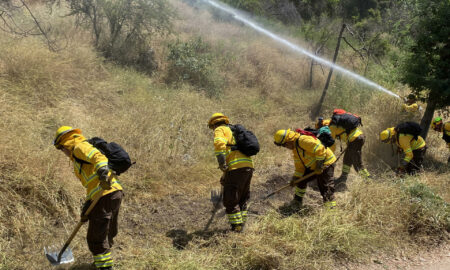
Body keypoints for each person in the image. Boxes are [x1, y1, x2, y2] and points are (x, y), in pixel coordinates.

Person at [53, 126, 123, 270]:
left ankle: (104, 266)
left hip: (105, 194)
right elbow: (92, 185)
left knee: (95, 237)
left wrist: (103, 171)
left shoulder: (79, 147)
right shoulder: (78, 158)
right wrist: (87, 208)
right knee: (108, 229)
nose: (63, 152)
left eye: (61, 148)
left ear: (66, 142)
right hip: (111, 194)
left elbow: (99, 158)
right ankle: (103, 261)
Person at [208, 113, 254, 232]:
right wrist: (226, 174)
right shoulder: (233, 131)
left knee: (230, 198)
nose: (213, 129)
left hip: (235, 167)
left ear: (214, 124)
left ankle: (236, 228)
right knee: (243, 196)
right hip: (248, 166)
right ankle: (242, 224)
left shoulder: (220, 129)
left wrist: (221, 163)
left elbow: (219, 144)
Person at [273, 129, 336, 211]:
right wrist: (295, 178)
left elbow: (320, 149)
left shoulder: (303, 140)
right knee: (301, 181)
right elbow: (300, 168)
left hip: (326, 163)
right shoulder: (296, 150)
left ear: (288, 141)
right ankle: (297, 202)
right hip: (315, 166)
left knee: (324, 185)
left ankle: (330, 208)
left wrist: (319, 166)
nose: (286, 147)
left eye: (284, 145)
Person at [328, 111, 370, 190]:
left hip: (355, 140)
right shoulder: (336, 124)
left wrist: (328, 158)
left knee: (357, 165)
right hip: (357, 138)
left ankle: (368, 181)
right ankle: (342, 180)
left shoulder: (331, 127)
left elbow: (331, 145)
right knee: (347, 160)